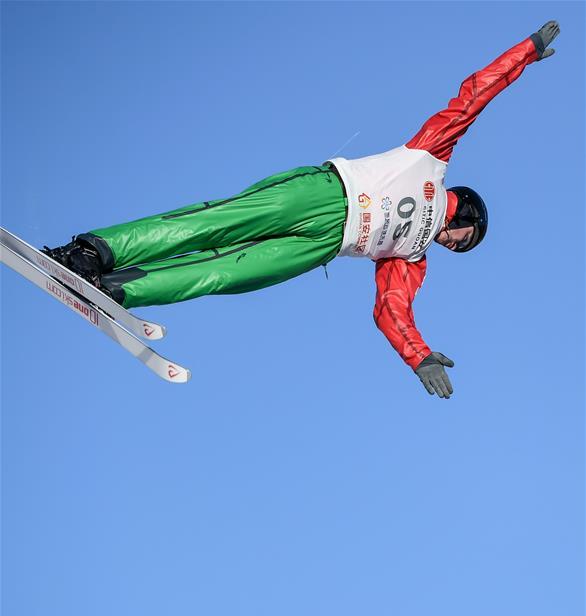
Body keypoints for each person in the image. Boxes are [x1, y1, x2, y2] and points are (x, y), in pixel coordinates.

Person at [45, 21, 560, 398]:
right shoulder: (432, 159)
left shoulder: (412, 258)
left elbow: (391, 309)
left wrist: (419, 355)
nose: (456, 246)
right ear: (466, 213)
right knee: (213, 224)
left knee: (225, 274)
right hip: (324, 194)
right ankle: (92, 251)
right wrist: (526, 53)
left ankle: (113, 288)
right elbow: (473, 96)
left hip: (322, 247)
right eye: (466, 239)